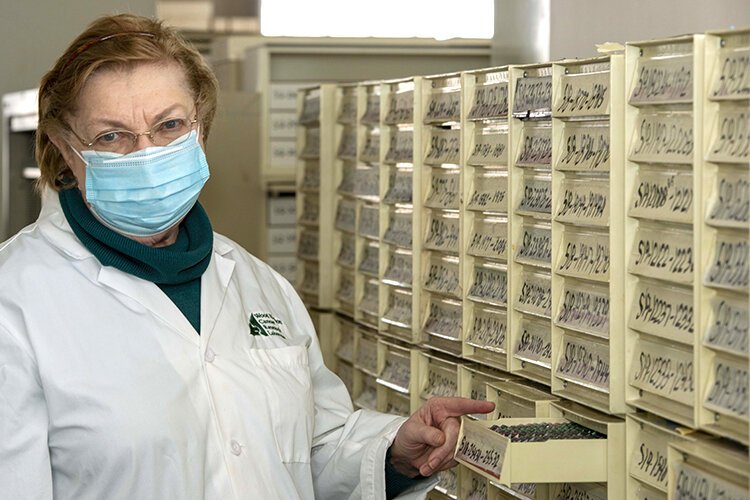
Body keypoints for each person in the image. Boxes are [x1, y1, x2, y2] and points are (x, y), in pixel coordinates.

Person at [0, 13, 494, 499]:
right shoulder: (16, 300)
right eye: (112, 135)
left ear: (202, 131)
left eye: (169, 125)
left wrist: (392, 457)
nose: (146, 153)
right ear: (67, 148)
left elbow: (308, 450)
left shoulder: (258, 284)